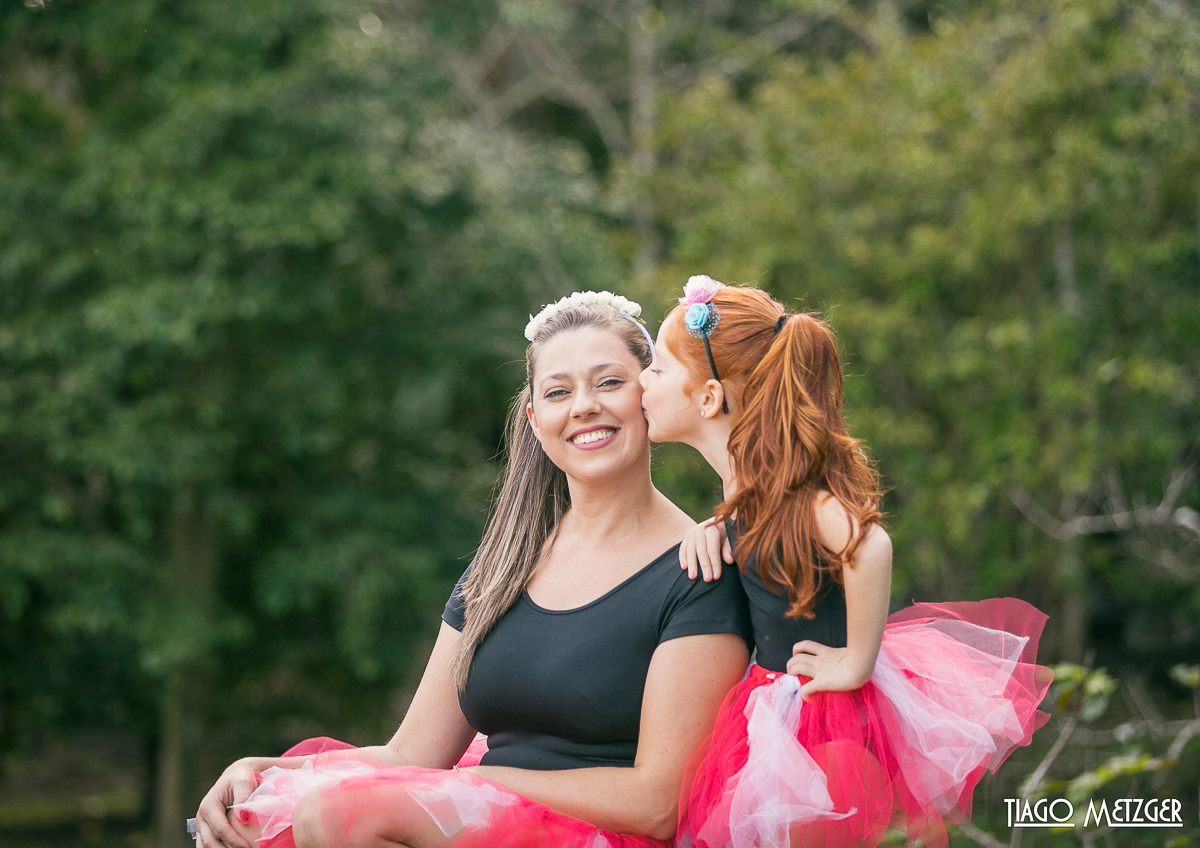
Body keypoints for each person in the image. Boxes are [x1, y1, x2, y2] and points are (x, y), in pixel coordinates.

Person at [193, 291, 753, 848]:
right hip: (480, 819)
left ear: (649, 393)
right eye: (558, 392)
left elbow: (657, 804)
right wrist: (262, 769)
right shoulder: (503, 566)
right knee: (276, 816)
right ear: (535, 419)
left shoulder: (698, 568)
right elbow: (409, 755)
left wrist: (483, 782)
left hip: (609, 836)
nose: (584, 406)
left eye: (608, 382)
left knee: (339, 815)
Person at [639, 276, 1052, 848]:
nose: (642, 379)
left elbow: (869, 545)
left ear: (709, 399)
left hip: (821, 725)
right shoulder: (752, 486)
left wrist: (858, 660)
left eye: (657, 368)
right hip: (782, 708)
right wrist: (716, 528)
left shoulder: (788, 490)